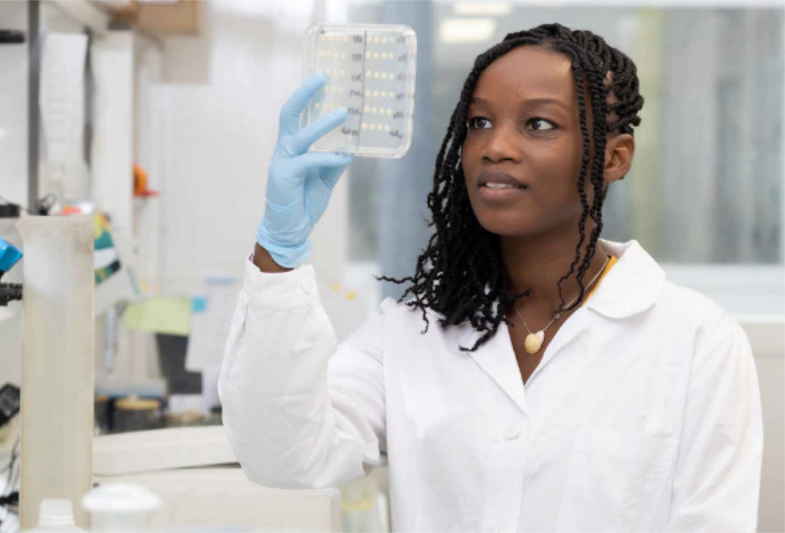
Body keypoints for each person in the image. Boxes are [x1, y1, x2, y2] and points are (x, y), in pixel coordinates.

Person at [219, 23, 763, 533]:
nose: (494, 147)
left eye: (538, 124)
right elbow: (284, 454)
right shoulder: (411, 333)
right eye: (479, 122)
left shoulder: (695, 340)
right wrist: (279, 253)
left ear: (615, 158)